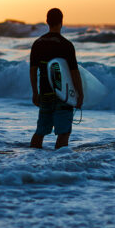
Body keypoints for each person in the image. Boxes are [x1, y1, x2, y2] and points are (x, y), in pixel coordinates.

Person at [29, 8, 83, 149]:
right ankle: (58, 165)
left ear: (47, 21)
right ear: (62, 22)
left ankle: (33, 161)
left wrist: (35, 92)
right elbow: (74, 73)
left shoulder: (38, 44)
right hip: (63, 94)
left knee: (40, 131)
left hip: (45, 93)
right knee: (63, 133)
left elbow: (33, 71)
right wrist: (80, 94)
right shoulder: (66, 45)